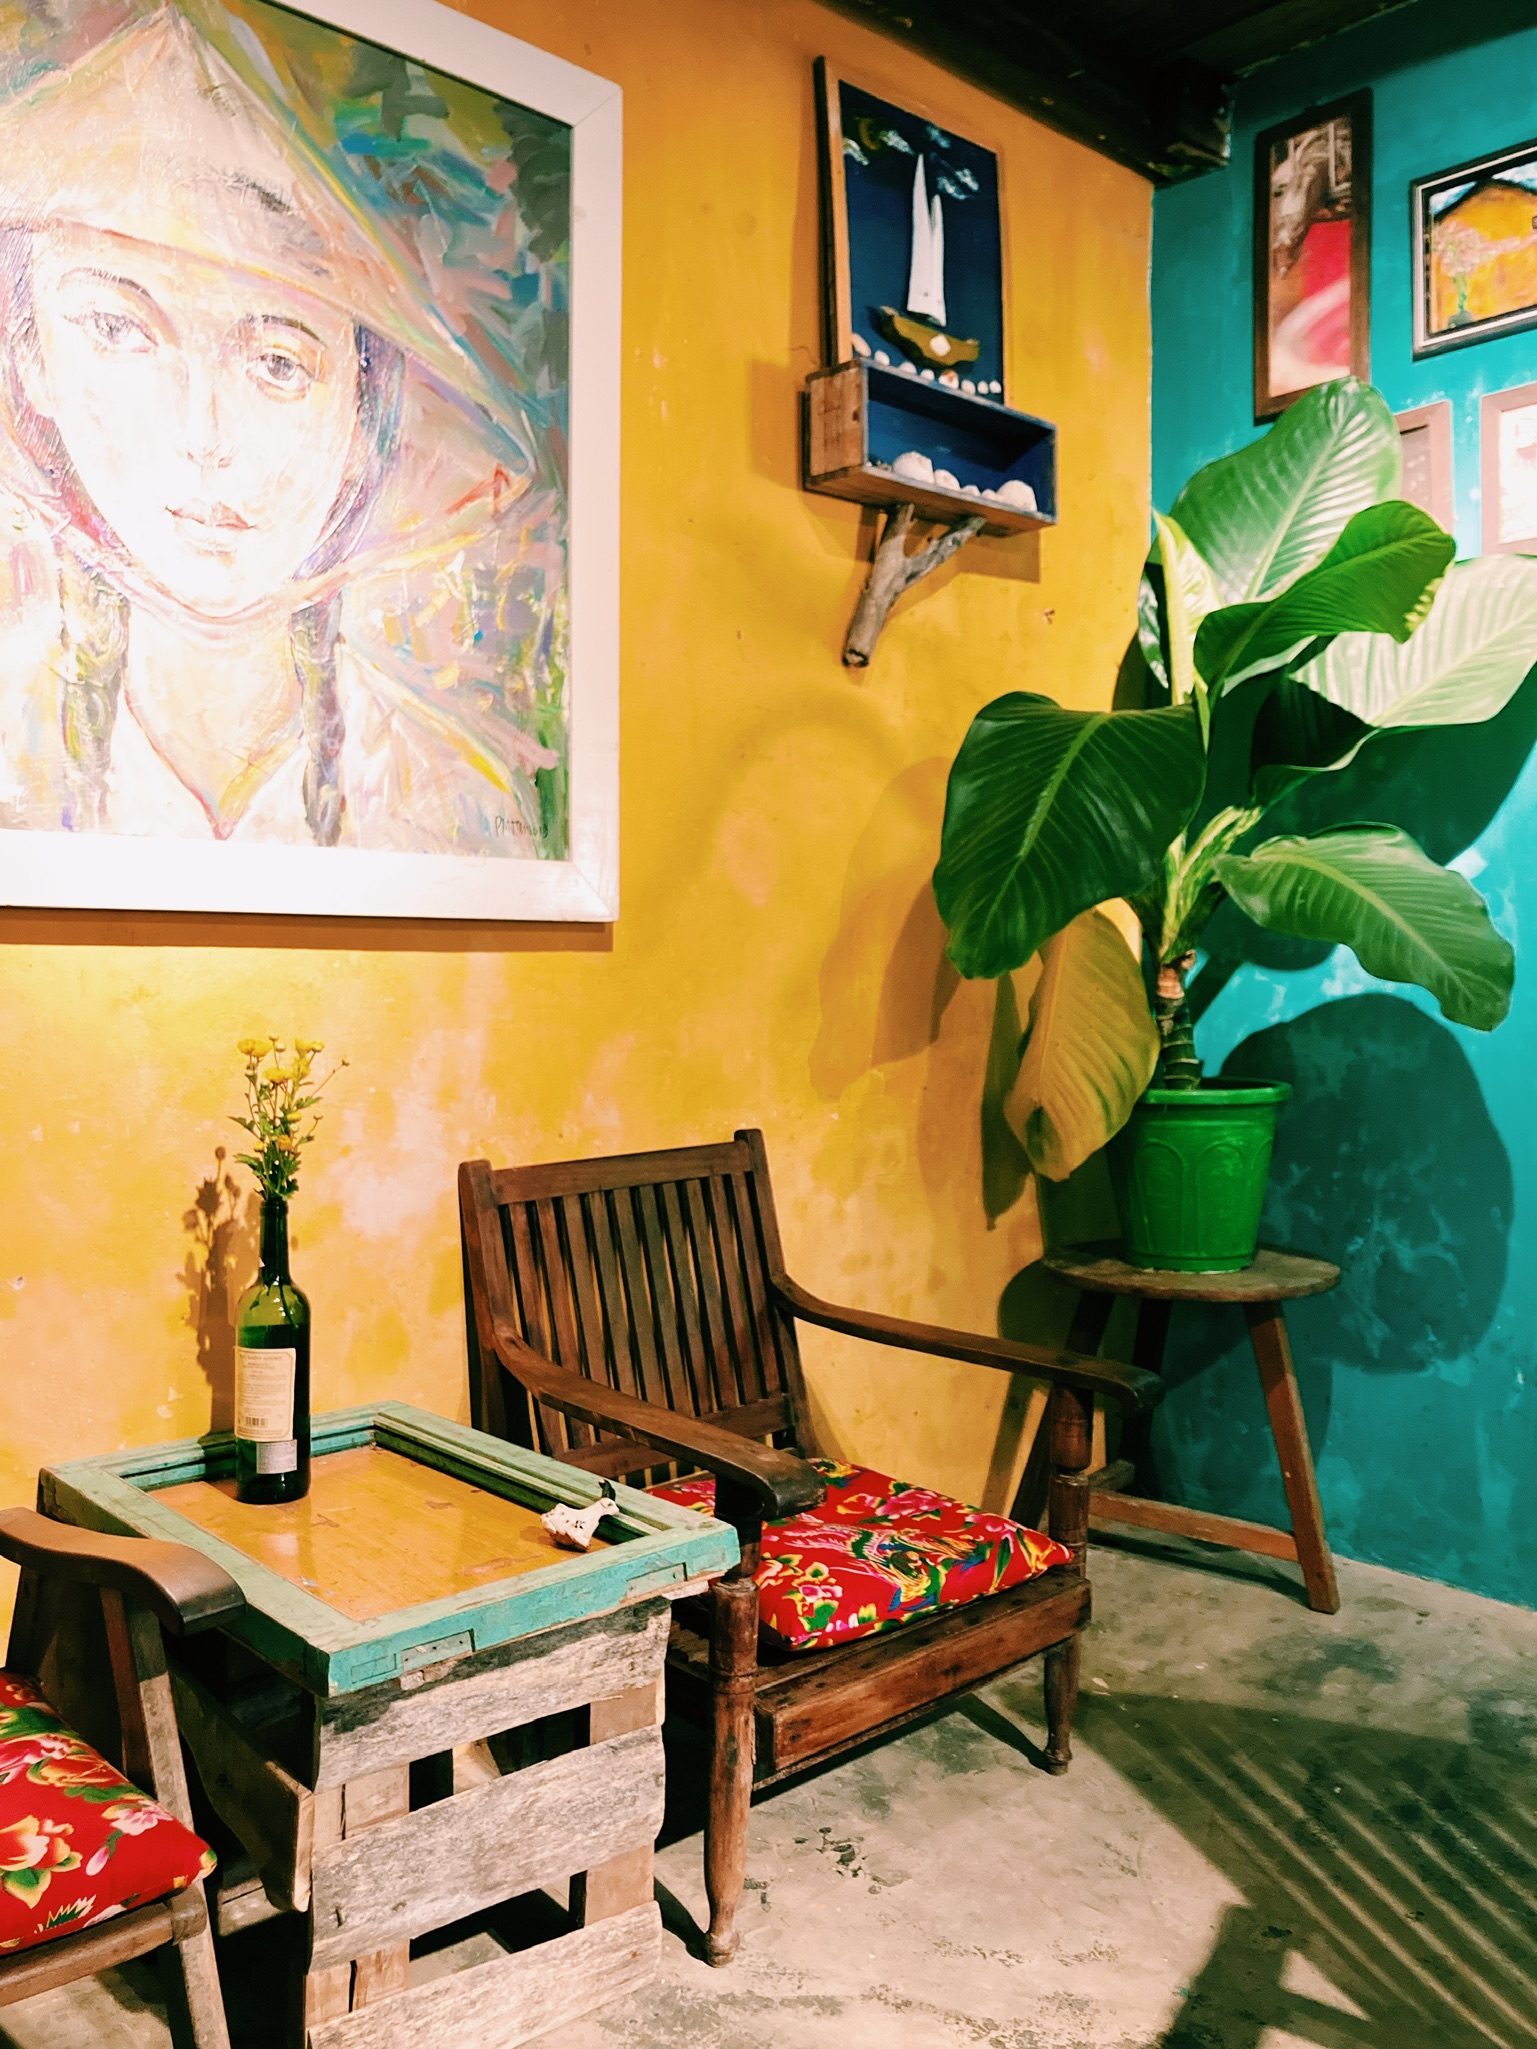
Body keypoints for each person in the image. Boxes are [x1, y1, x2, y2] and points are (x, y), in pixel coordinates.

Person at [0, 4, 565, 855]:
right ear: (30, 355)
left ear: (362, 410)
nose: (203, 434)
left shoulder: (456, 802)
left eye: (276, 362)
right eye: (117, 329)